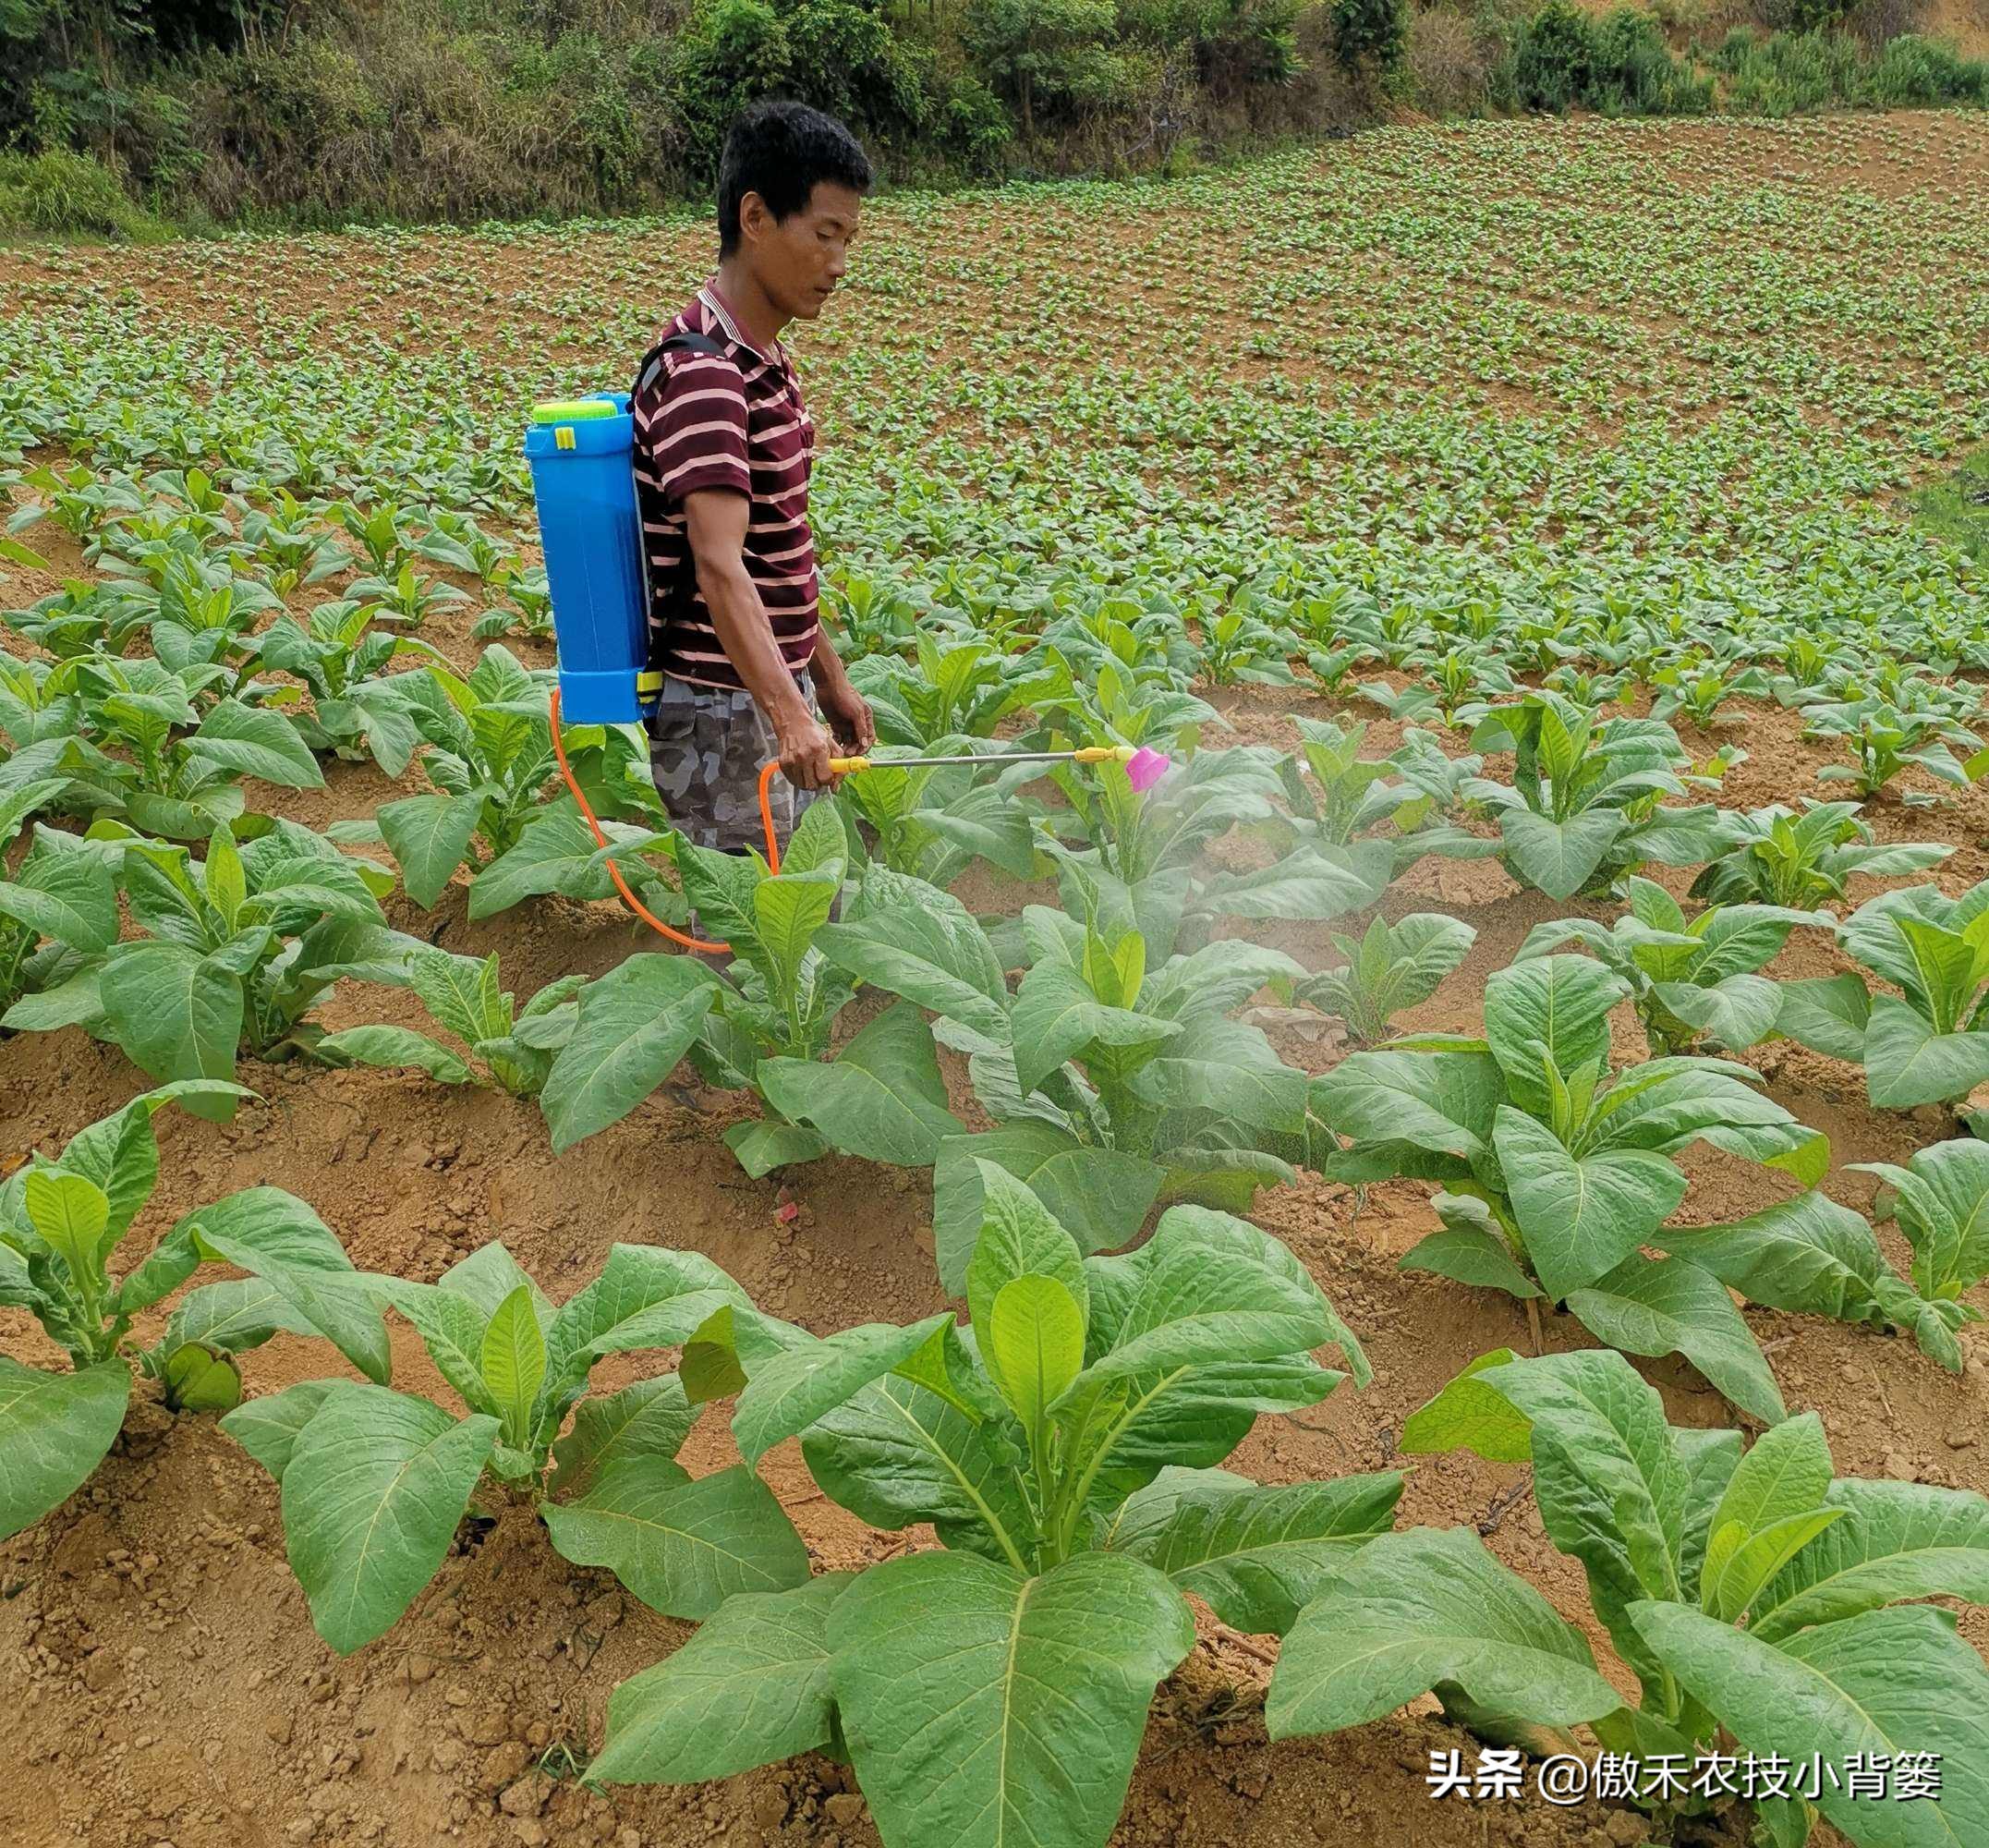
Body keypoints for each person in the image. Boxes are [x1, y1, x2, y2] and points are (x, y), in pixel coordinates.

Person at [629, 100, 877, 861]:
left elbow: (777, 552)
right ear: (757, 217)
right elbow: (719, 563)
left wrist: (824, 679)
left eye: (849, 240)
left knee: (804, 925)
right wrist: (786, 713)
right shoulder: (704, 373)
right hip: (721, 712)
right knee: (745, 951)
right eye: (824, 235)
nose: (838, 263)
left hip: (764, 695)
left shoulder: (763, 363)